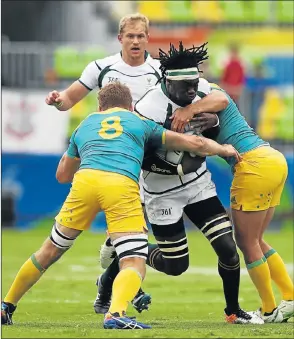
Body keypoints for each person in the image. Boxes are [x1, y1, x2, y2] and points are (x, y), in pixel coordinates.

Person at [1, 82, 241, 329]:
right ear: (130, 106)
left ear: (99, 105)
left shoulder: (85, 124)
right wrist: (224, 148)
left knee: (49, 250)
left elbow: (62, 175)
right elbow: (196, 145)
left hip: (85, 181)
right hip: (120, 183)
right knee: (134, 261)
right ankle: (115, 313)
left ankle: (6, 305)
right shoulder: (140, 122)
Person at [95, 42, 263, 324]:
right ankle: (116, 265)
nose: (191, 91)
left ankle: (233, 311)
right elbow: (141, 158)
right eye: (185, 85)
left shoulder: (200, 91)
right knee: (175, 266)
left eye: (194, 83)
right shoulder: (149, 108)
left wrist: (210, 121)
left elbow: (221, 102)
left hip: (198, 185)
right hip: (162, 193)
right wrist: (175, 166)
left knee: (228, 249)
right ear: (167, 82)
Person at [45, 12, 161, 314]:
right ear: (120, 38)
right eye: (130, 35)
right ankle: (124, 292)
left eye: (141, 35)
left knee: (126, 236)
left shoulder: (159, 71)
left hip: (150, 160)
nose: (135, 41)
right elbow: (68, 100)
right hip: (114, 161)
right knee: (133, 235)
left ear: (148, 38)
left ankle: (108, 286)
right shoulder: (101, 68)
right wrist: (57, 99)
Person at [171, 82, 294, 323]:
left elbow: (222, 100)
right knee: (256, 240)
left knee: (246, 243)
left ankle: (269, 311)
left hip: (252, 163)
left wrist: (188, 111)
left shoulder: (205, 90)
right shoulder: (200, 92)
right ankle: (289, 297)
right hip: (271, 158)